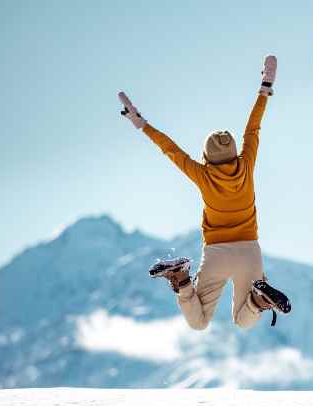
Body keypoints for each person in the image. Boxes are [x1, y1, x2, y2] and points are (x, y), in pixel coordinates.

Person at [117, 56, 291, 331]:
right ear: (234, 153)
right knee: (243, 321)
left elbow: (171, 150)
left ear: (207, 158)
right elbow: (252, 128)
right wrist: (265, 86)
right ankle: (258, 300)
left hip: (216, 253)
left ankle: (181, 279)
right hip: (249, 250)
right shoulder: (245, 165)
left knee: (198, 322)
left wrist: (141, 123)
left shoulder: (203, 175)